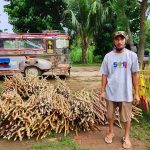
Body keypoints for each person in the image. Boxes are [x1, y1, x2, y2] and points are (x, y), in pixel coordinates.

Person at [100, 31, 140, 149]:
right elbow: (104, 75)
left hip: (126, 93)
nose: (119, 41)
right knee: (110, 116)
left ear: (125, 40)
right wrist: (102, 91)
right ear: (114, 41)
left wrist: (137, 93)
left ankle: (126, 137)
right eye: (117, 39)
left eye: (121, 39)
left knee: (127, 117)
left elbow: (135, 75)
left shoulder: (132, 56)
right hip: (111, 92)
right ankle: (111, 132)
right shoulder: (108, 56)